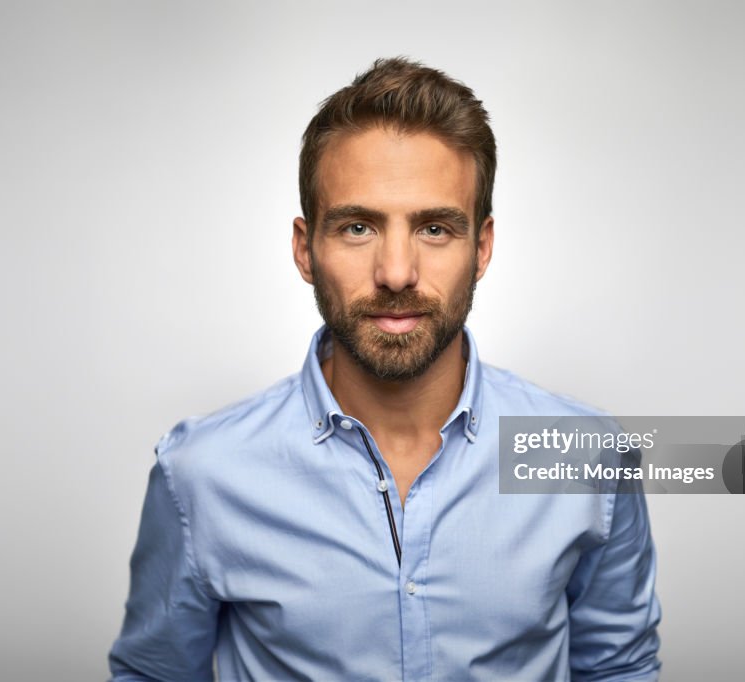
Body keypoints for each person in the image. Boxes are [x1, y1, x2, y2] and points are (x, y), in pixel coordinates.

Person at [109, 57, 661, 681]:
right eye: (357, 227)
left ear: (481, 248)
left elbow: (619, 669)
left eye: (433, 228)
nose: (396, 273)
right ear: (305, 248)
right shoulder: (201, 474)